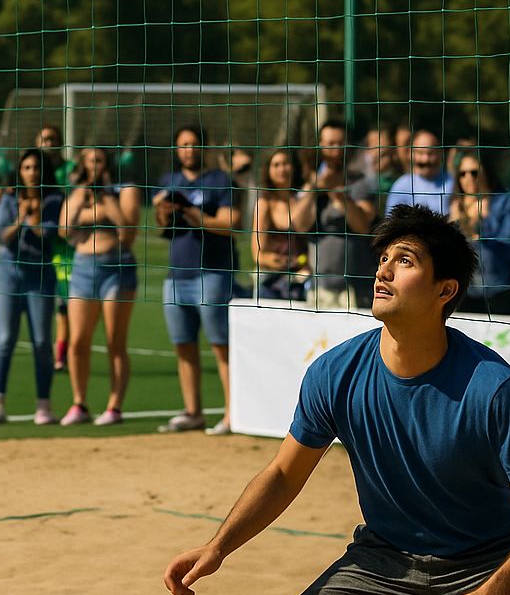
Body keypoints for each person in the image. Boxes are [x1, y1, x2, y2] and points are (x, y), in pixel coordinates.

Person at [164, 205, 510, 595]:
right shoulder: (335, 373)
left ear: (445, 290)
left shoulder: (493, 388)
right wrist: (218, 547)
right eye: (383, 259)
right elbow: (283, 474)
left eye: (405, 261)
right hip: (388, 555)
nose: (383, 271)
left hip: (493, 557)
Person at [152, 125, 241, 435]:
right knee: (183, 346)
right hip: (176, 276)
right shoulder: (169, 181)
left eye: (193, 144)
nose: (188, 150)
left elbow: (230, 223)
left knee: (221, 346)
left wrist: (192, 212)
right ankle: (193, 412)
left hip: (212, 274)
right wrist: (163, 210)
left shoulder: (220, 181)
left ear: (203, 147)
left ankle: (232, 414)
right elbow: (162, 227)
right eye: (183, 144)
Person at [0, 149, 63, 426]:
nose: (32, 173)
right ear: (20, 171)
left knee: (41, 342)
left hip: (40, 275)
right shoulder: (10, 197)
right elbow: (1, 236)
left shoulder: (54, 199)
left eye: (36, 168)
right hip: (9, 274)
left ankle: (43, 405)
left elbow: (50, 234)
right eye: (26, 168)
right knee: (5, 339)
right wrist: (20, 218)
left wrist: (35, 218)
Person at [59, 147, 141, 426]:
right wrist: (91, 209)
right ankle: (79, 403)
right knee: (77, 341)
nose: (95, 166)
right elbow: (64, 229)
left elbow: (127, 232)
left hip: (116, 269)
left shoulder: (124, 190)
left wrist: (105, 200)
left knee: (114, 341)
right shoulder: (78, 193)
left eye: (100, 161)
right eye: (89, 161)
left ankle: (114, 407)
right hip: (83, 269)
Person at [291, 119, 378, 310]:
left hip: (354, 287)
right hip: (319, 286)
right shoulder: (310, 184)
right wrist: (314, 190)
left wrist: (341, 196)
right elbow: (299, 225)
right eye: (330, 144)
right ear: (320, 145)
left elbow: (363, 226)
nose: (336, 150)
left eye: (340, 143)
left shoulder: (360, 183)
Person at [449, 152, 510, 315]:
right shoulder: (455, 207)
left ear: (486, 172)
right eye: (463, 173)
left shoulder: (507, 202)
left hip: (501, 288)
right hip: (466, 291)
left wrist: (479, 226)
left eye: (474, 172)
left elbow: (508, 242)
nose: (469, 178)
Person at [36, 123, 74, 370]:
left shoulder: (69, 170)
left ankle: (60, 354)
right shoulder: (32, 169)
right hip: (36, 246)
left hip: (62, 245)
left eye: (52, 139)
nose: (48, 143)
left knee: (63, 303)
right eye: (44, 139)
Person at [251, 148, 310, 301]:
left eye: (285, 163)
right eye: (276, 165)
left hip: (300, 282)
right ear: (268, 170)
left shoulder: (302, 200)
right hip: (271, 283)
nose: (281, 169)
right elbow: (257, 254)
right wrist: (280, 261)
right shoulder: (264, 204)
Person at [385, 128, 454, 215]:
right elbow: (390, 220)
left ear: (440, 153)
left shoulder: (452, 183)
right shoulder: (401, 187)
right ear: (410, 154)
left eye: (430, 153)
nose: (425, 159)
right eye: (420, 153)